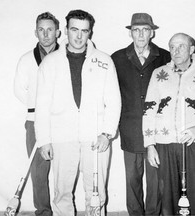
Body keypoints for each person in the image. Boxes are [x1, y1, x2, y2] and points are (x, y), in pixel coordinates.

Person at [34, 9, 121, 216]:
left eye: (84, 31)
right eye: (74, 30)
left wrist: (107, 133)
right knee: (62, 192)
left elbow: (114, 101)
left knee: (95, 192)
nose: (79, 36)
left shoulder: (104, 61)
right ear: (65, 30)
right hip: (62, 138)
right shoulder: (50, 62)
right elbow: (42, 105)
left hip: (96, 138)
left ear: (90, 32)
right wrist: (44, 140)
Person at [143, 33, 195, 215]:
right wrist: (149, 144)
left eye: (181, 46)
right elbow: (148, 110)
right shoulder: (159, 74)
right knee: (168, 199)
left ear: (191, 49)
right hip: (165, 145)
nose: (176, 50)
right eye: (172, 46)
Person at [111, 13, 171, 216]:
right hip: (130, 128)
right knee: (132, 180)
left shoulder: (164, 57)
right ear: (131, 33)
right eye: (136, 30)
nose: (141, 34)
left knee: (156, 182)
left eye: (145, 29)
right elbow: (111, 94)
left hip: (157, 130)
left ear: (152, 32)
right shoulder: (117, 58)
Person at [14, 11, 61, 216]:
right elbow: (18, 90)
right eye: (41, 30)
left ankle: (63, 210)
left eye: (50, 29)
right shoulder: (26, 60)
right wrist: (40, 107)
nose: (46, 34)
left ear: (58, 32)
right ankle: (43, 211)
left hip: (63, 120)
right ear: (36, 32)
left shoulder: (67, 57)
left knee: (63, 169)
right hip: (35, 121)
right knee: (38, 171)